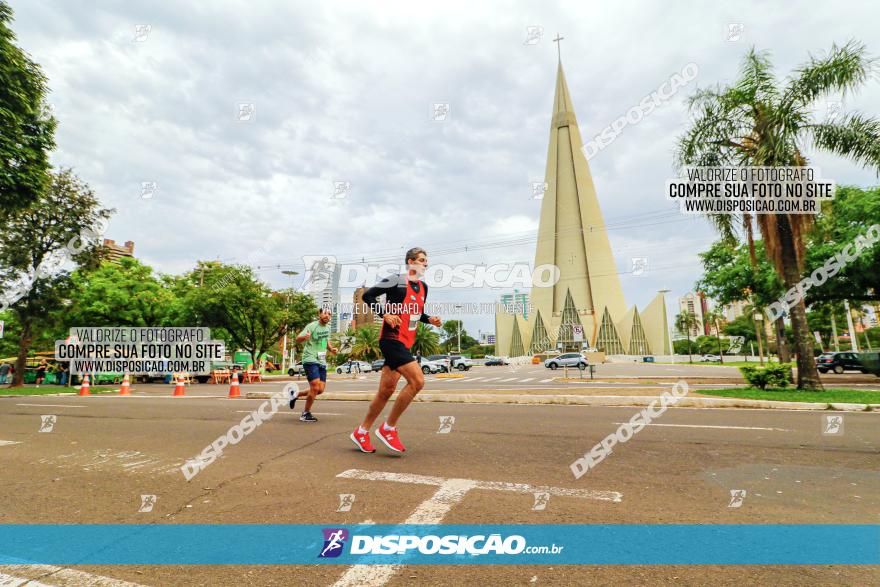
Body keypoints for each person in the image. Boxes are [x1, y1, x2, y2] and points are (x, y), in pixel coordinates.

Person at [350, 247, 442, 453]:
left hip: (406, 341)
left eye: (426, 261)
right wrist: (385, 315)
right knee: (417, 381)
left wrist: (430, 320)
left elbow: (416, 312)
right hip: (391, 340)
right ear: (410, 262)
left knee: (385, 391)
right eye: (421, 260)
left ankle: (361, 432)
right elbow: (368, 296)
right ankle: (388, 428)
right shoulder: (396, 280)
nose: (425, 264)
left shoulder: (424, 288)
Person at [290, 307, 337, 422]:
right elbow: (297, 338)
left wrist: (331, 349)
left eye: (330, 314)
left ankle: (295, 394)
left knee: (320, 390)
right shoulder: (312, 326)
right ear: (319, 314)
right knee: (315, 386)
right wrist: (304, 337)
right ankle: (305, 414)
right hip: (310, 358)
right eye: (325, 313)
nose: (327, 316)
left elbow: (326, 340)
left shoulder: (327, 328)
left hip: (321, 360)